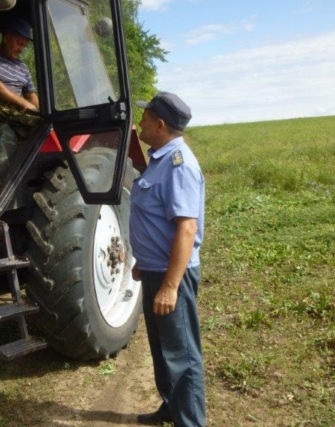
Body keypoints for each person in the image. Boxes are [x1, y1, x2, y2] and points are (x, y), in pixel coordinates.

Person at [129, 92, 207, 427]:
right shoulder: (160, 159)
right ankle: (171, 408)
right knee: (162, 349)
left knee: (182, 355)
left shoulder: (180, 165)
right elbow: (156, 218)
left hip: (170, 276)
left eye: (146, 118)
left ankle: (190, 422)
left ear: (160, 124)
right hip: (154, 270)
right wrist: (143, 260)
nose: (141, 121)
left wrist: (171, 286)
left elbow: (187, 229)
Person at [0, 17, 39, 199]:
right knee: (5, 135)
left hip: (16, 114)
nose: (21, 49)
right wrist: (24, 104)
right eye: (19, 43)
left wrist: (43, 113)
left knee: (42, 128)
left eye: (24, 46)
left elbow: (31, 95)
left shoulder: (23, 68)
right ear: (6, 37)